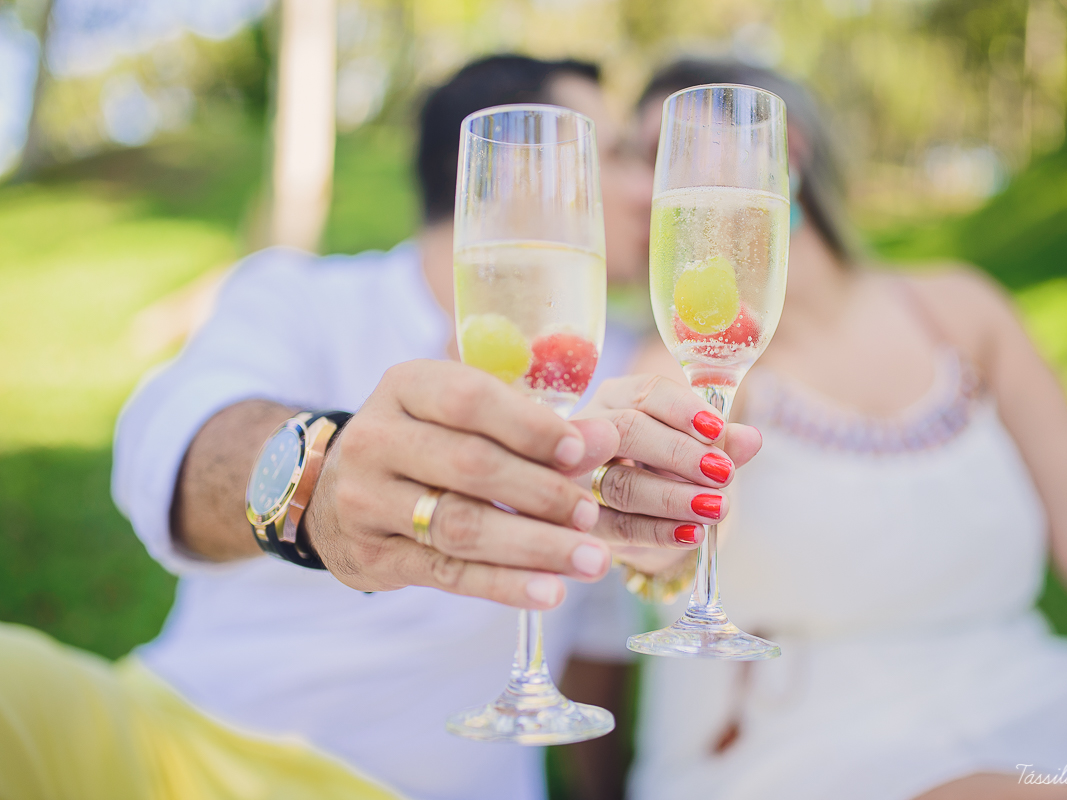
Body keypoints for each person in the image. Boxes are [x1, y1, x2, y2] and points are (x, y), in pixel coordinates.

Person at [0, 55, 764, 800]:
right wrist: (321, 478)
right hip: (165, 746)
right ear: (509, 172)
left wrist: (654, 542)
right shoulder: (304, 295)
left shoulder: (607, 373)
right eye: (615, 158)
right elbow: (166, 439)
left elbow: (596, 640)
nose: (643, 191)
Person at [625, 60, 1067, 800]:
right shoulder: (685, 357)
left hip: (1021, 682)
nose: (643, 189)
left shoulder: (961, 310)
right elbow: (660, 530)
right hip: (804, 735)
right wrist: (653, 523)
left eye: (663, 153)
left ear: (784, 153)